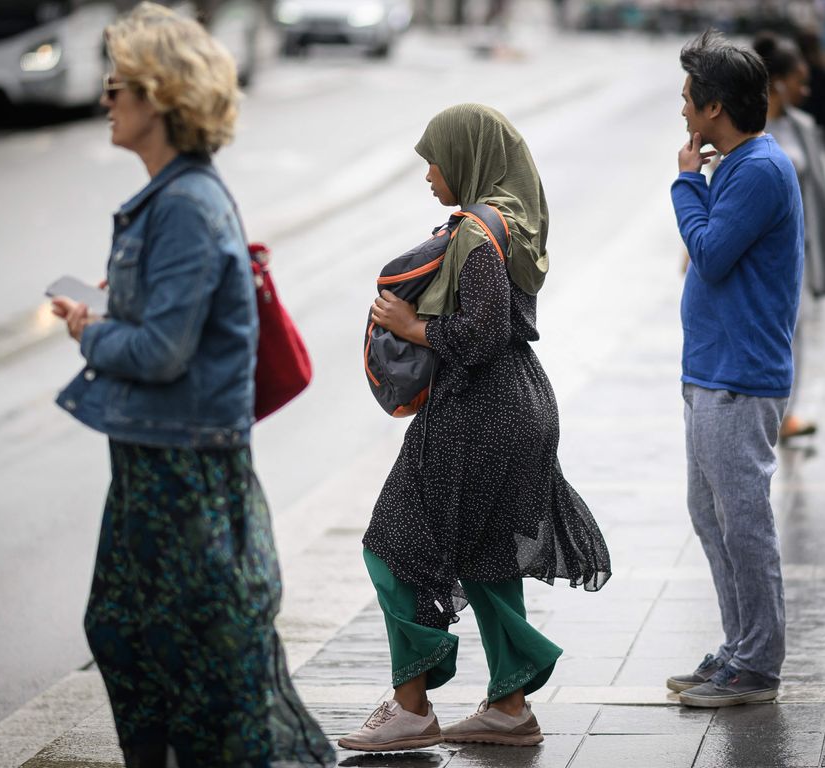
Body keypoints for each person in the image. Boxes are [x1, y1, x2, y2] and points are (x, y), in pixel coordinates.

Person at [50, 4, 333, 766]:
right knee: (133, 634)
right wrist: (110, 312)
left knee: (202, 660)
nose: (106, 100)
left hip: (184, 469)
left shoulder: (183, 205)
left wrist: (89, 331)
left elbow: (164, 352)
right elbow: (174, 325)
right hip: (157, 455)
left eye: (119, 88)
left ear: (161, 98)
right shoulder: (174, 199)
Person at [339, 103, 611, 751]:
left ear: (467, 158)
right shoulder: (511, 223)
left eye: (436, 159)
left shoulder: (474, 235)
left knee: (392, 544)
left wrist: (412, 329)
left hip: (478, 412)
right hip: (521, 405)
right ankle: (509, 708)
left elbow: (481, 335)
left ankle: (411, 705)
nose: (430, 174)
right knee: (488, 557)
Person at [666, 29, 803, 708]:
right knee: (711, 513)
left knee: (743, 520)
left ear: (716, 106)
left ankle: (758, 664)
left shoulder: (759, 171)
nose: (684, 113)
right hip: (713, 372)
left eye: (689, 100)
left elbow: (712, 254)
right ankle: (740, 646)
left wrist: (687, 183)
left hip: (739, 376)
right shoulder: (742, 165)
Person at [754, 32, 825, 442]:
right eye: (799, 80)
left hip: (797, 252)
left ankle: (785, 413)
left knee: (795, 332)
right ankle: (759, 410)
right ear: (777, 82)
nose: (805, 89)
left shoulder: (804, 127)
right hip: (754, 253)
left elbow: (820, 197)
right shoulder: (746, 127)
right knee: (760, 334)